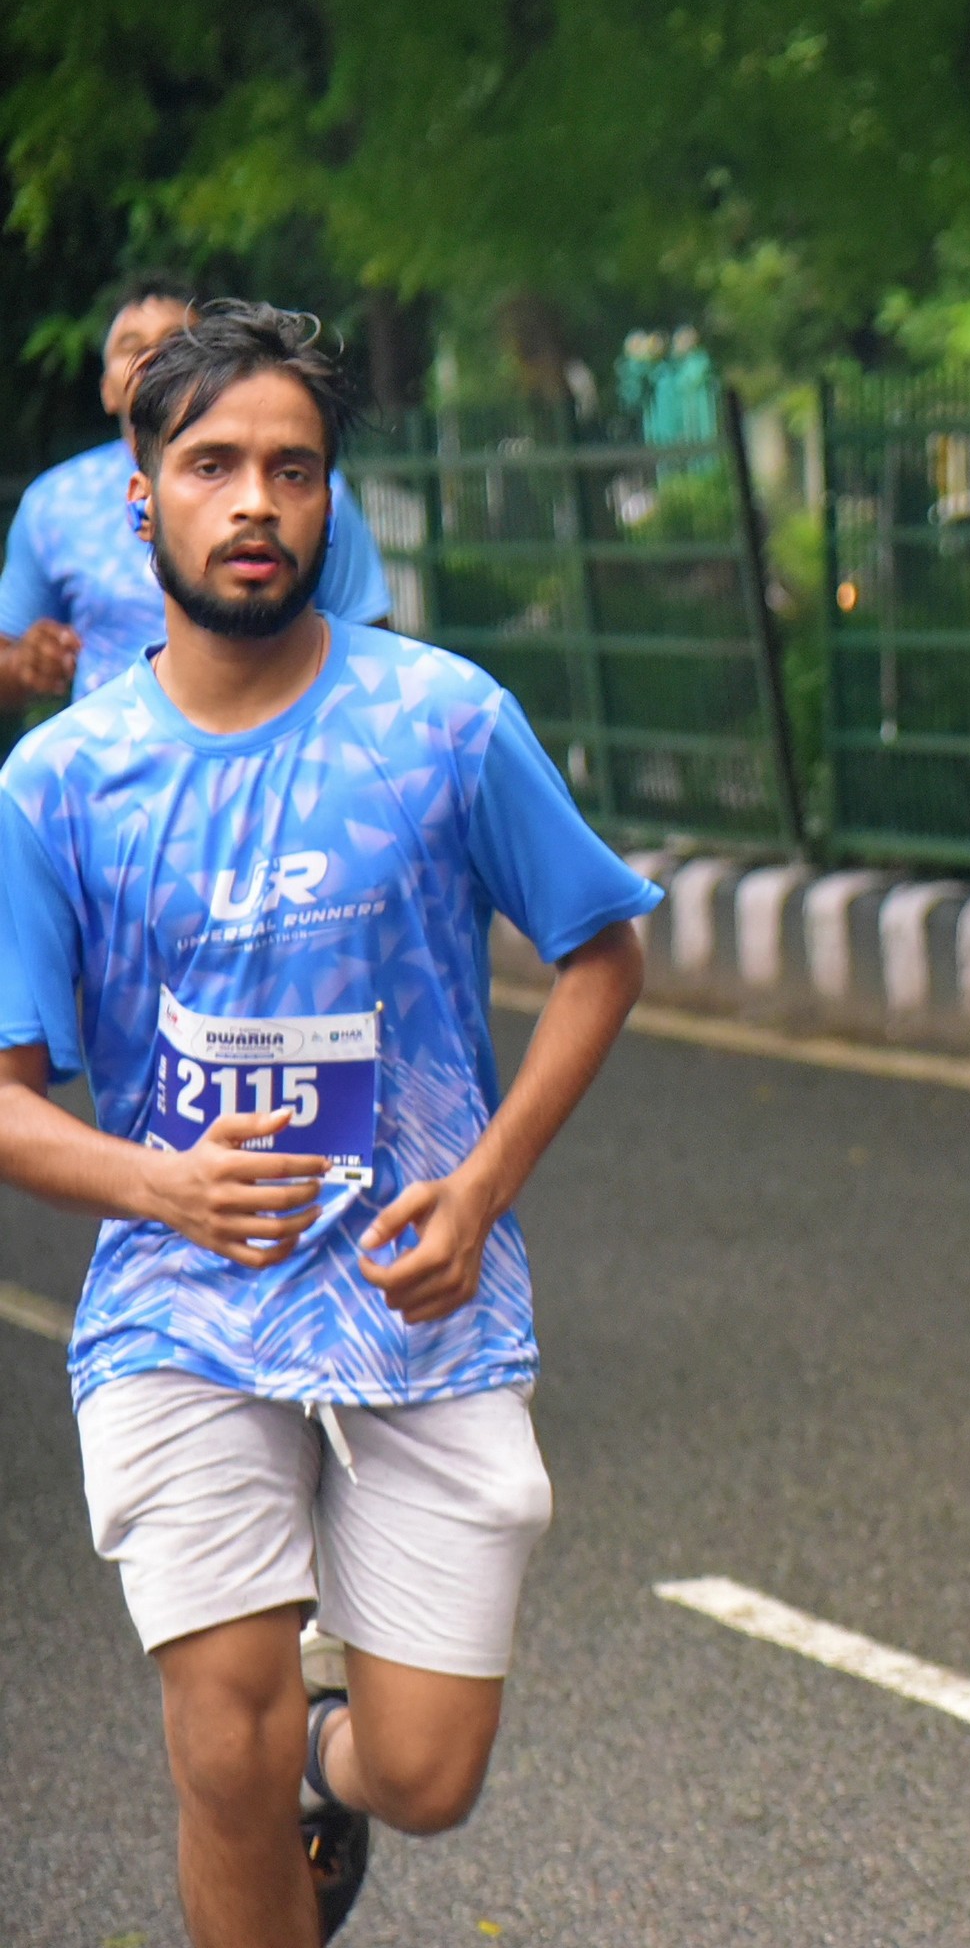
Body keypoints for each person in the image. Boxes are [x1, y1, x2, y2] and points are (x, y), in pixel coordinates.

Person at [0, 304, 657, 1945]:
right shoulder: (60, 785)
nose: (256, 501)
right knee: (218, 1741)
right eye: (213, 465)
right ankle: (266, 1765)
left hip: (413, 1294)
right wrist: (165, 1186)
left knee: (425, 1773)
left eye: (293, 469)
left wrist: (483, 1184)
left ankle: (327, 1767)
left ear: (330, 503)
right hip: (180, 1305)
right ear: (143, 498)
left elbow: (601, 955)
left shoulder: (442, 722)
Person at [1, 277, 394, 711]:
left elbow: (373, 645)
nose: (152, 358)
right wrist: (24, 664)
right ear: (142, 504)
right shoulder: (55, 503)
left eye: (175, 342)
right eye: (132, 347)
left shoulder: (306, 488)